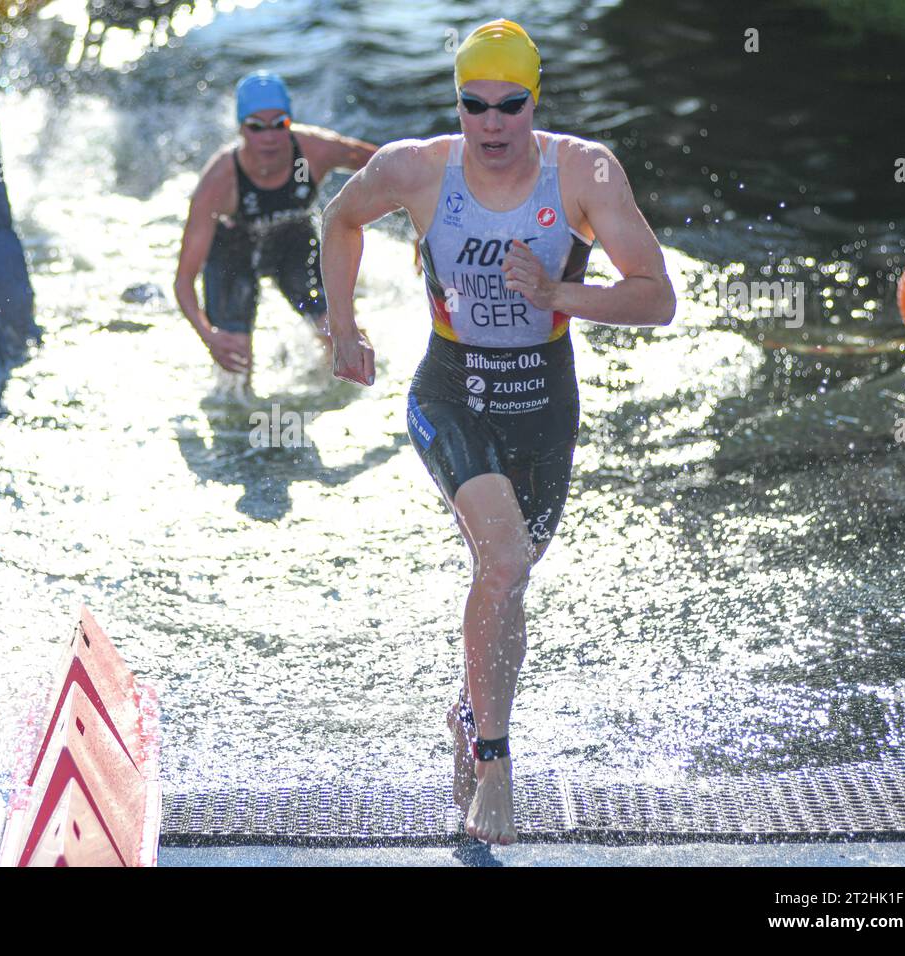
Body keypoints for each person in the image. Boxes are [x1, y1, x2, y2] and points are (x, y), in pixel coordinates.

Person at [320, 20, 676, 845]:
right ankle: (495, 760)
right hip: (451, 394)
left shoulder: (584, 172)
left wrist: (558, 292)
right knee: (505, 556)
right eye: (473, 106)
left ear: (533, 101)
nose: (490, 125)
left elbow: (656, 297)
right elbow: (341, 220)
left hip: (546, 406)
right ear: (458, 106)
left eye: (509, 106)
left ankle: (467, 713)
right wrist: (344, 329)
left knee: (508, 579)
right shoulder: (417, 170)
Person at [174, 72, 377, 388]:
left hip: (293, 246)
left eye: (279, 124)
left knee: (340, 337)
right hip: (233, 256)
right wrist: (208, 335)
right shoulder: (219, 181)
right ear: (241, 129)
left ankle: (352, 401)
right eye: (256, 126)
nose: (268, 136)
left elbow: (393, 166)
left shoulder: (315, 151)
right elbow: (184, 279)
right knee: (235, 367)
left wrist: (424, 221)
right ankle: (242, 431)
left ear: (290, 122)